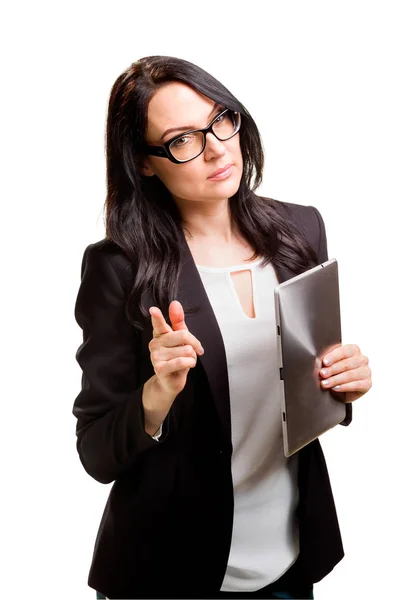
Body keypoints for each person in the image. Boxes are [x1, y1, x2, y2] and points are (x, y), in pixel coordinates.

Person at [72, 55, 372, 600]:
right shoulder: (118, 267)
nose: (215, 148)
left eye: (220, 120)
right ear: (144, 162)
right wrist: (157, 393)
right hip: (167, 570)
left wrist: (342, 385)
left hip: (287, 558)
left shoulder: (300, 231)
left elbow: (305, 392)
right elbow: (96, 451)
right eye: (182, 140)